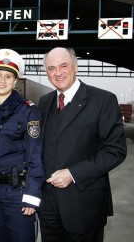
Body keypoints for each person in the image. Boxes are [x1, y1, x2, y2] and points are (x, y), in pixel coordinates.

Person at [38, 47, 127, 242]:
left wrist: (73, 173)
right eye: (51, 68)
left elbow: (116, 150)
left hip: (84, 205)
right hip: (48, 207)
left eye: (63, 66)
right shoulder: (44, 103)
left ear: (76, 66)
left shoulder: (103, 100)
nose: (58, 73)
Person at [0, 49, 45, 242]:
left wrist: (32, 195)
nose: (2, 80)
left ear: (15, 81)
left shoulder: (28, 112)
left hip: (18, 196)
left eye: (8, 76)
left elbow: (35, 155)